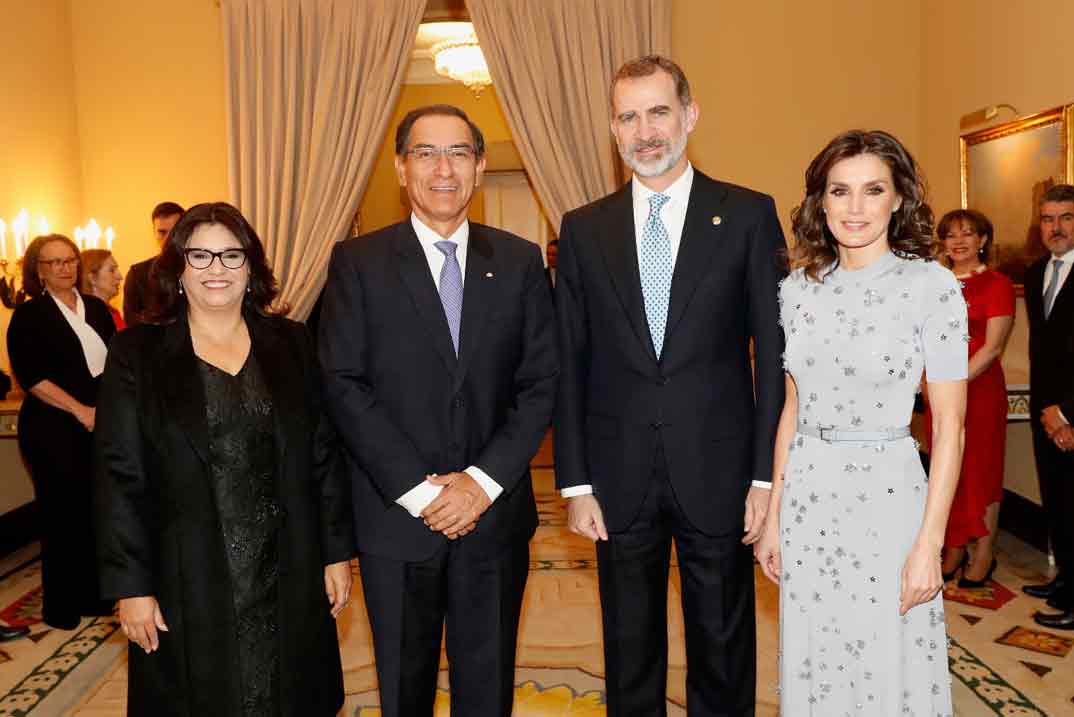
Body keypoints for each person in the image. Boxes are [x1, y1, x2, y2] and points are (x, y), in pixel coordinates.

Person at [555, 56, 785, 716]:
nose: (645, 131)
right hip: (616, 474)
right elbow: (569, 361)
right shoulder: (583, 228)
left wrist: (765, 477)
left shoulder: (746, 215)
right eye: (628, 116)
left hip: (720, 469)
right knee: (629, 648)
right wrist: (575, 482)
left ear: (689, 115)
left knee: (723, 642)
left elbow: (771, 356)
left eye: (658, 112)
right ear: (613, 129)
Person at [319, 104, 557, 717]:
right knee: (404, 689)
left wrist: (479, 485)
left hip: (493, 517)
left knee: (488, 689)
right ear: (401, 168)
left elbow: (539, 384)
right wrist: (420, 493)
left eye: (458, 153)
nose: (442, 168)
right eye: (426, 153)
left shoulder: (521, 260)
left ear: (478, 167)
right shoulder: (357, 263)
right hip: (396, 521)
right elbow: (344, 385)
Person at [94, 202, 356, 716]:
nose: (217, 269)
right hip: (186, 569)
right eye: (201, 256)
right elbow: (118, 475)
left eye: (232, 256)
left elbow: (323, 453)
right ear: (176, 269)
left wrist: (335, 552)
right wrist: (131, 586)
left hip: (287, 561)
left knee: (290, 691)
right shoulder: (136, 354)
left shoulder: (292, 342)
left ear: (252, 268)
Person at [755, 130, 967, 715]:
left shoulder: (932, 287)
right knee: (818, 661)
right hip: (810, 497)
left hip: (889, 498)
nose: (854, 208)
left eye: (872, 191)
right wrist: (774, 517)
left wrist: (931, 541)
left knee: (885, 662)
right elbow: (790, 411)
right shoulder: (797, 291)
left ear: (898, 199)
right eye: (839, 191)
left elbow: (950, 428)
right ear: (819, 202)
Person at [7, 234, 116, 630]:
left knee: (95, 514)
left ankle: (95, 596)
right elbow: (33, 378)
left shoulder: (99, 309)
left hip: (97, 425)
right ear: (38, 270)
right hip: (52, 429)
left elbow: (116, 366)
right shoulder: (29, 316)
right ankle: (62, 606)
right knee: (61, 517)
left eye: (69, 260)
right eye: (54, 262)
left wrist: (104, 412)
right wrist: (80, 410)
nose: (64, 267)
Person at [926, 209, 1014, 587]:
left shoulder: (997, 284)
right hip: (939, 394)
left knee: (981, 471)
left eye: (968, 234)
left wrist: (954, 381)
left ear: (982, 240)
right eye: (950, 235)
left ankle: (984, 553)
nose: (958, 241)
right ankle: (954, 547)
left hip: (979, 391)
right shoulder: (933, 282)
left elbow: (993, 348)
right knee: (949, 470)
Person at [1022, 183, 1074, 629]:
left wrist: (1068, 412)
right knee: (1058, 503)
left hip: (1071, 414)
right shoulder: (1037, 271)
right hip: (1045, 413)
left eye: (1066, 218)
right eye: (1048, 219)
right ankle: (1065, 584)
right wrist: (1047, 411)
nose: (1055, 228)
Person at [123, 201, 183, 326]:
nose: (168, 238)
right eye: (162, 232)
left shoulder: (198, 267)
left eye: (173, 232)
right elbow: (132, 323)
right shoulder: (138, 274)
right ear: (154, 233)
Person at [82, 248, 127, 330]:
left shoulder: (114, 313)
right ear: (92, 278)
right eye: (112, 270)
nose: (120, 276)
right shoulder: (84, 316)